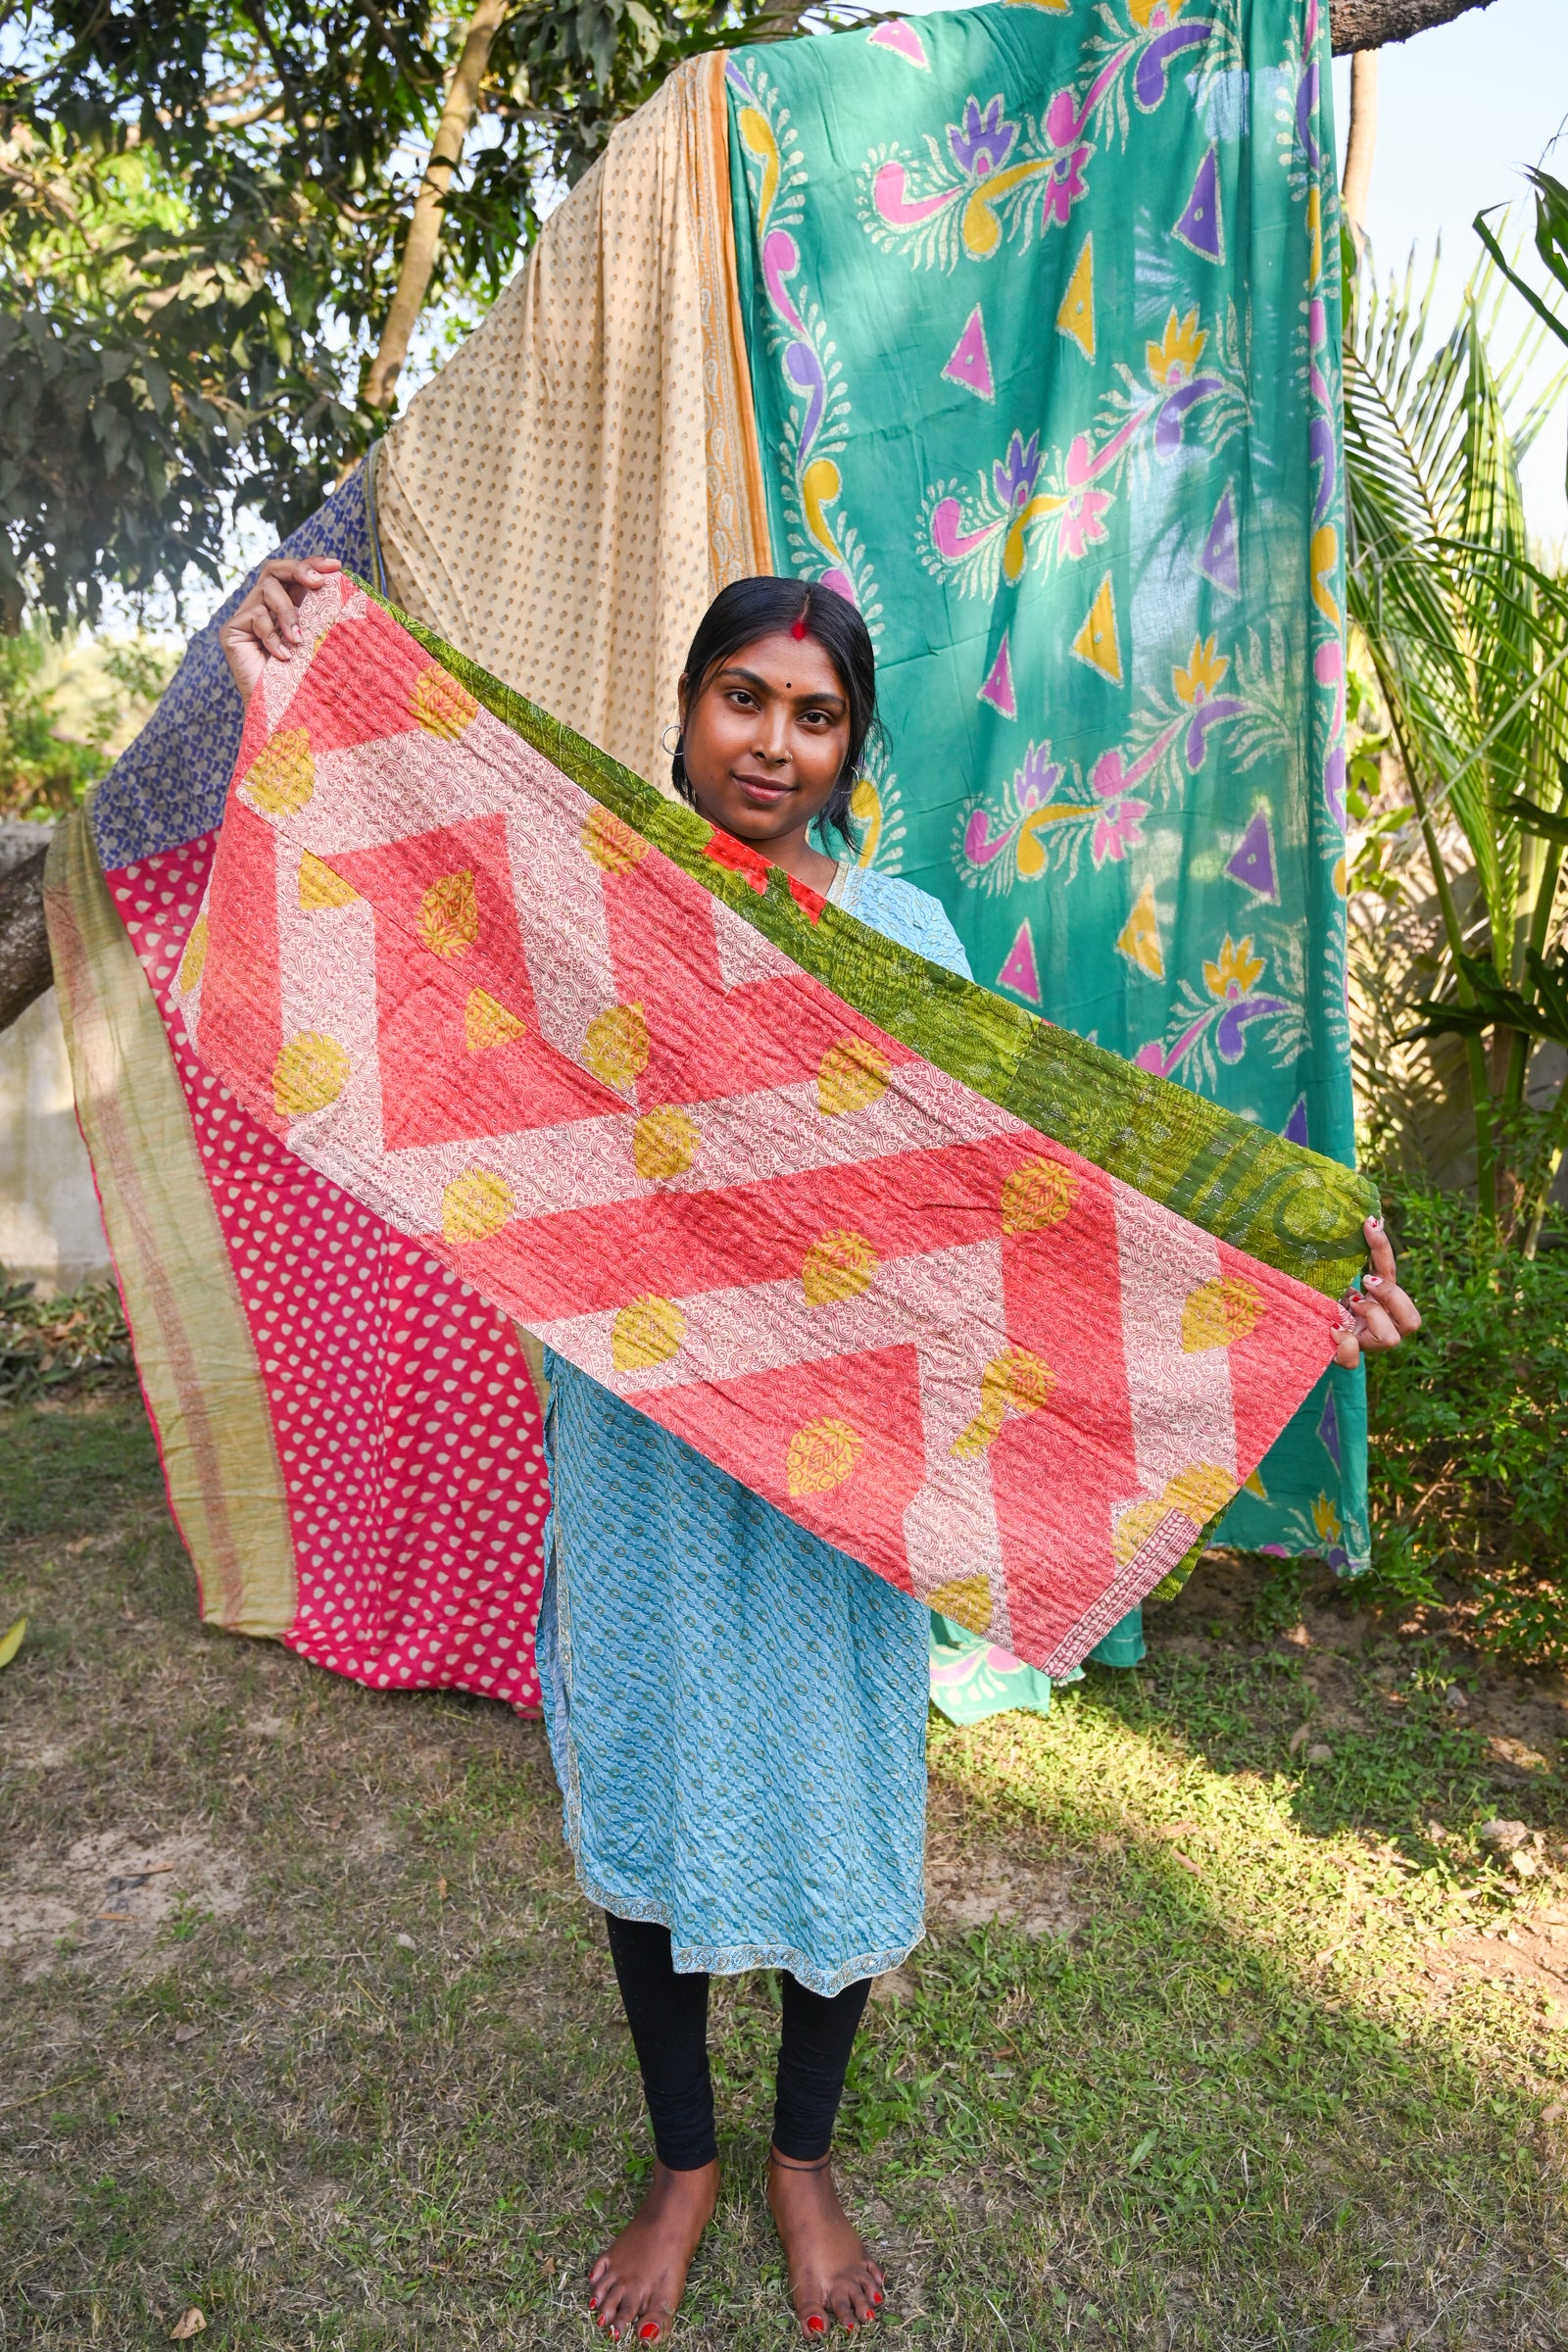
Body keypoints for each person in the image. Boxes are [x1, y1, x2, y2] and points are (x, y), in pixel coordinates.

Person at [220, 561, 1422, 2342]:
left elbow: (1045, 1180)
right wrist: (290, 709)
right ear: (688, 704)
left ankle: (799, 2157)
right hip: (642, 1428)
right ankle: (685, 2158)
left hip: (856, 1457)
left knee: (841, 1789)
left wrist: (1285, 1275)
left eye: (814, 714)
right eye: (741, 698)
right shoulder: (604, 893)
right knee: (647, 1755)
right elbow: (417, 924)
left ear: (853, 744)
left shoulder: (906, 945)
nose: (770, 743)